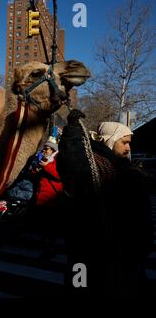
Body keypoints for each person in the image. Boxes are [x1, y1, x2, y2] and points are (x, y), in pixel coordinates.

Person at [57, 110, 154, 297]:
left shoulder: (122, 169)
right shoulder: (95, 164)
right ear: (110, 140)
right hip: (89, 254)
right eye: (124, 142)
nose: (128, 149)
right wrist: (72, 132)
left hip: (126, 257)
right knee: (81, 288)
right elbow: (73, 165)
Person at [29, 139, 64, 258]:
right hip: (41, 197)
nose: (44, 151)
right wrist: (36, 170)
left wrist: (47, 166)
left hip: (52, 198)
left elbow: (61, 175)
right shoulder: (44, 159)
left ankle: (50, 250)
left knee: (50, 227)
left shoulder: (58, 159)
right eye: (44, 148)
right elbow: (35, 175)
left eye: (47, 149)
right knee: (44, 226)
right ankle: (46, 246)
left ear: (53, 150)